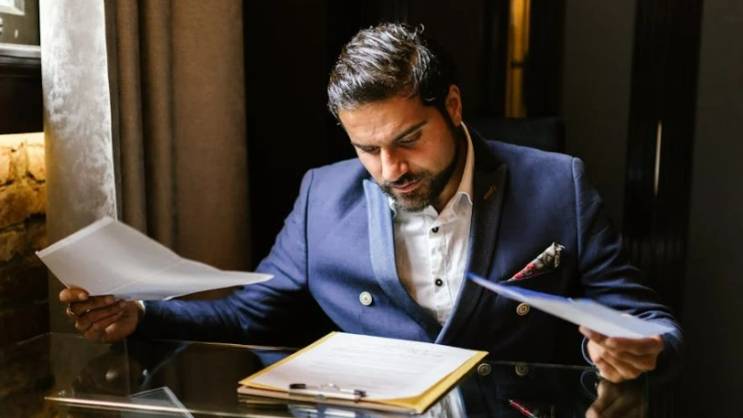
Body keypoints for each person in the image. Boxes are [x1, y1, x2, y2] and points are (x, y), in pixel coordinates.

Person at [60, 23, 681, 383]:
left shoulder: (557, 184)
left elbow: (644, 316)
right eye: (367, 148)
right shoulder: (320, 197)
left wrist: (641, 346)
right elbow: (253, 317)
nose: (390, 169)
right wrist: (141, 316)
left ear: (453, 106)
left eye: (408, 140)